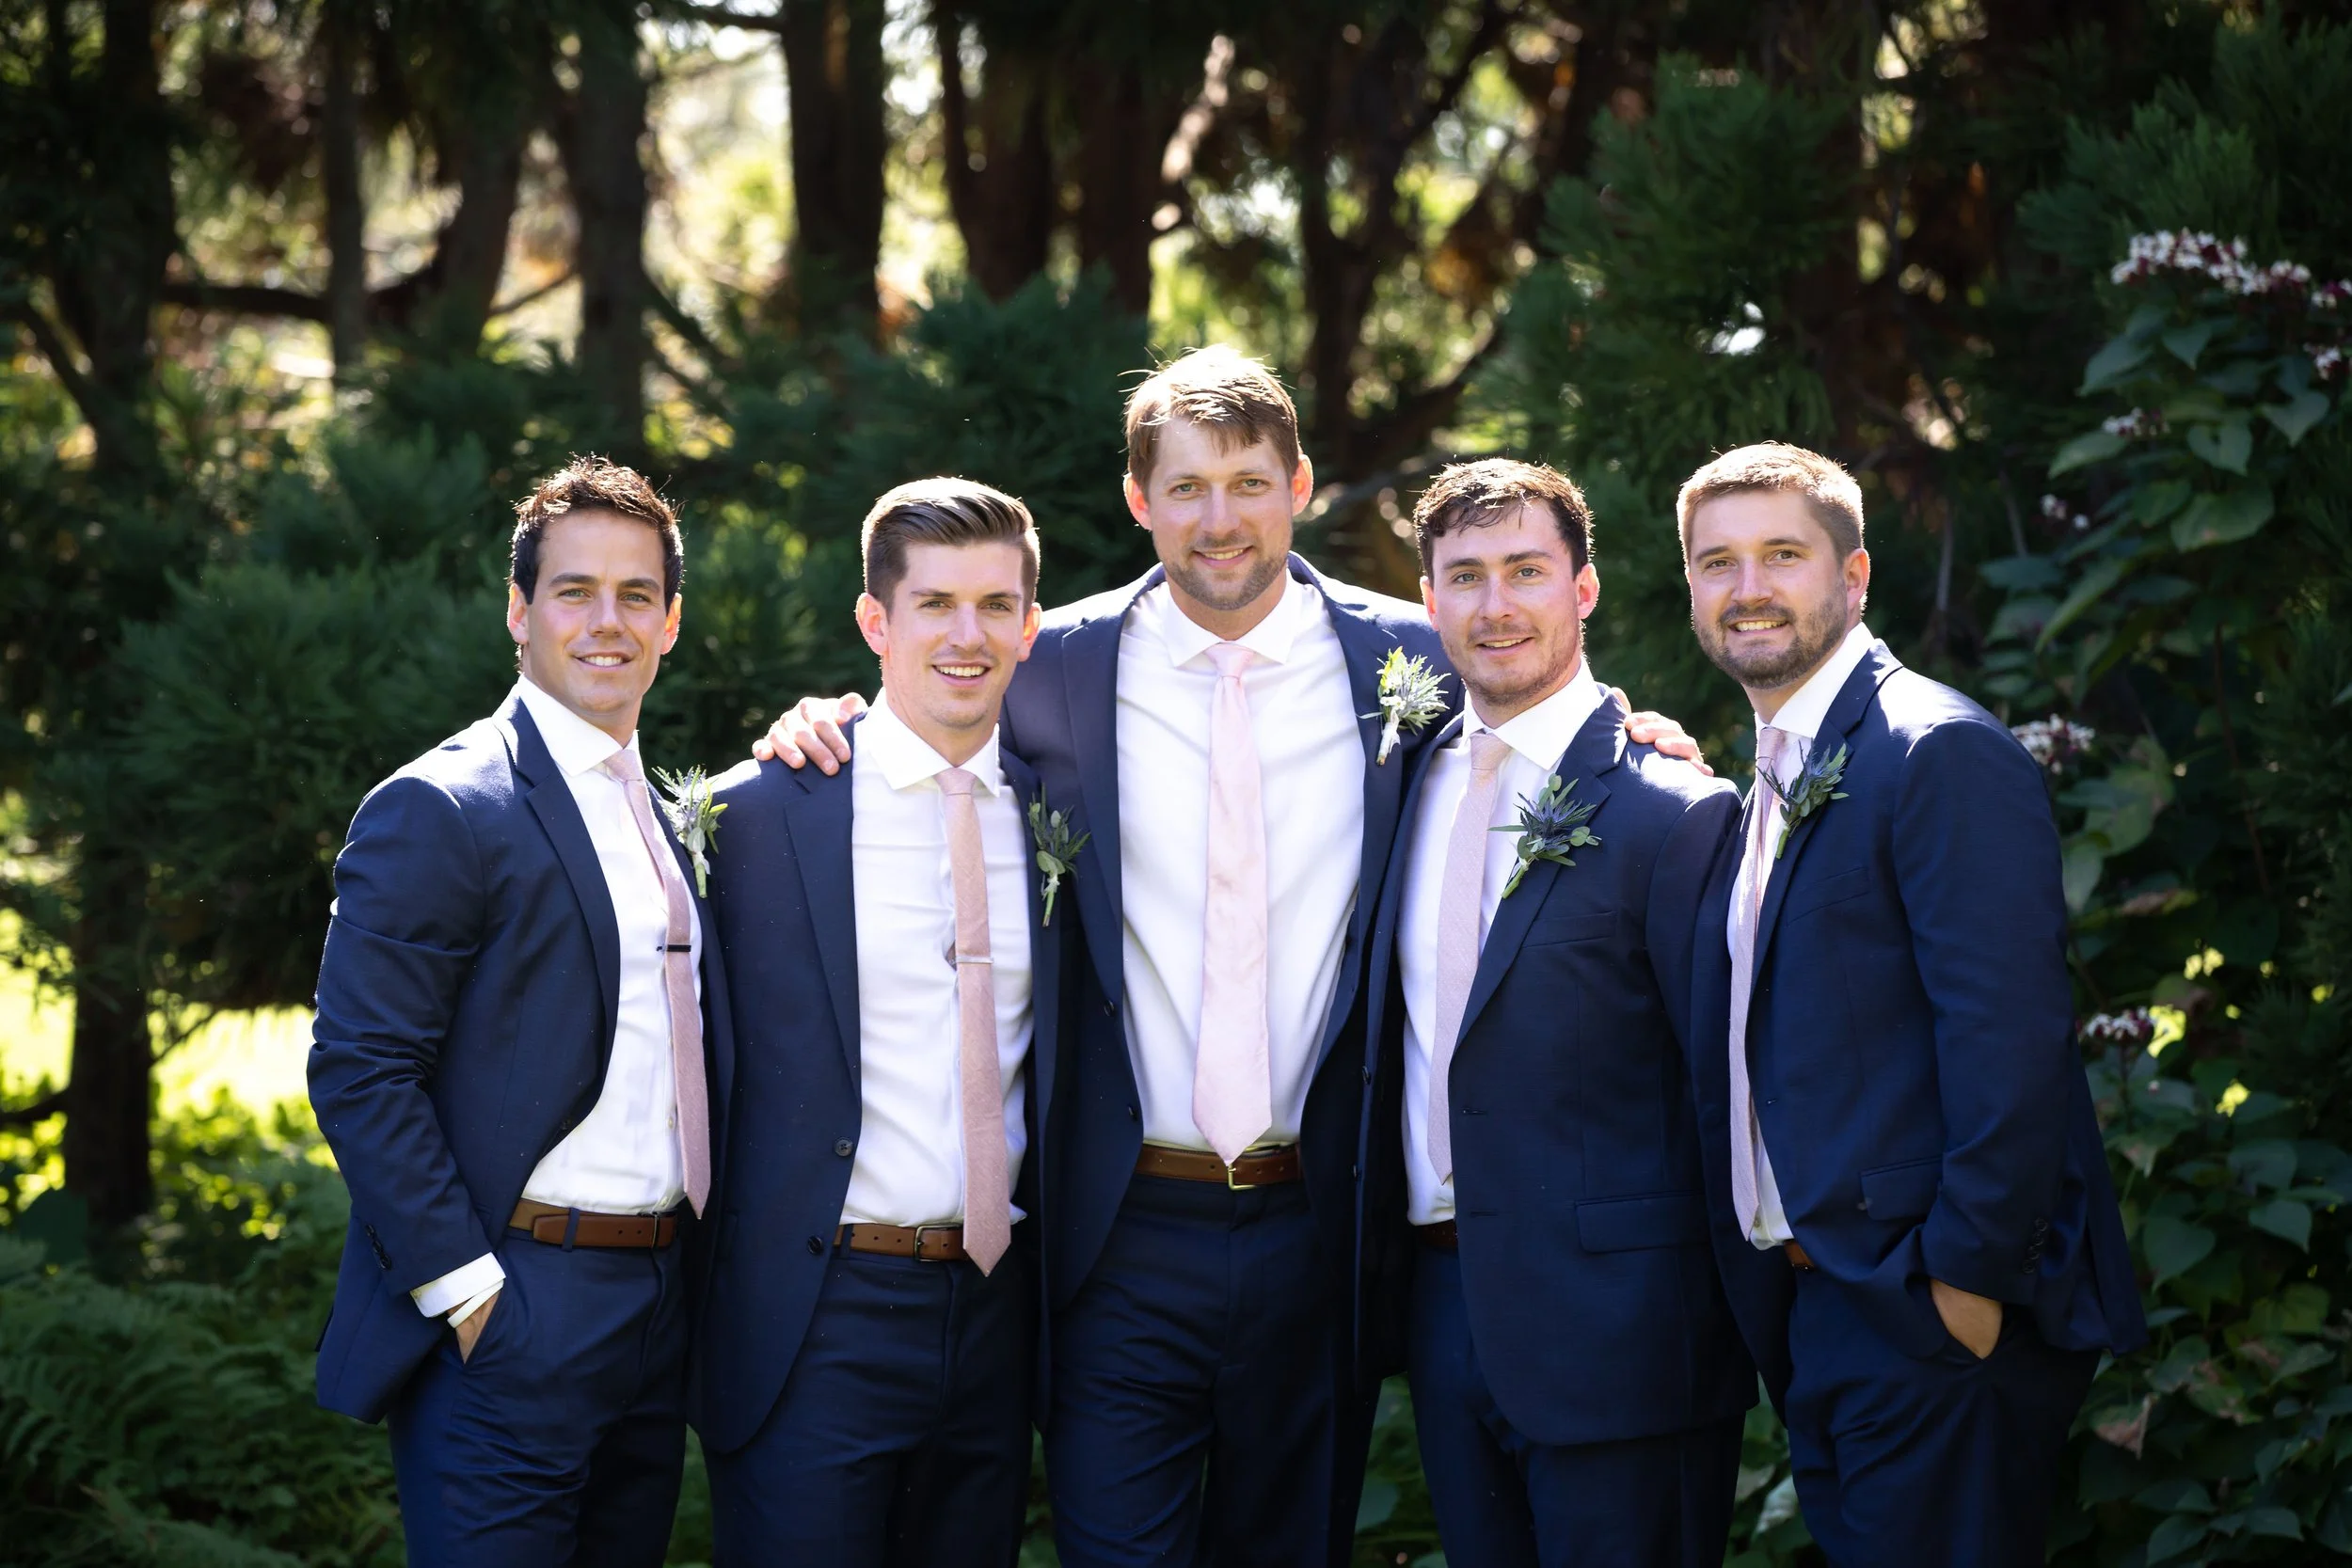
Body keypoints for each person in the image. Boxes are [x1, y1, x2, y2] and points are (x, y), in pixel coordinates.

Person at [759, 348, 1705, 1566]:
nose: (1220, 518)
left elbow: (1533, 700)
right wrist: (821, 716)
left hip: (1318, 1223)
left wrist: (1628, 730)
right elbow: (929, 691)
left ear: (1301, 485)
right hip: (1120, 1224)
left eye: (1249, 481)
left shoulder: (1405, 660)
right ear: (1139, 498)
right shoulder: (1055, 664)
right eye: (1188, 486)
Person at [1676, 442, 2145, 1565]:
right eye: (1717, 562)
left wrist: (1961, 1285)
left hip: (1923, 1311)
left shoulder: (1933, 750)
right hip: (1825, 1307)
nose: (1748, 588)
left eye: (1782, 554)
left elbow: (2010, 1040)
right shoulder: (1772, 777)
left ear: (1855, 575)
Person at [309, 456, 731, 1567]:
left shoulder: (672, 816)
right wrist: (470, 1293)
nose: (608, 620)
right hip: (515, 1301)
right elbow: (360, 1067)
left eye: (637, 594)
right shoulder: (444, 804)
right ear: (519, 610)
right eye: (574, 590)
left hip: (654, 1308)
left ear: (672, 621)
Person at [1356, 459, 1751, 1567]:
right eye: (1464, 577)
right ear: (1426, 602)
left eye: (1526, 570)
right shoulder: (1400, 777)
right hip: (1441, 1308)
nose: (1495, 605)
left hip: (1626, 1329)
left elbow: (1723, 1086)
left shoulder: (1672, 809)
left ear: (1582, 589)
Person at [690, 478, 1062, 1565]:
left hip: (996, 1315)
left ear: (1031, 625)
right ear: (874, 622)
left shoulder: (1066, 813)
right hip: (815, 1313)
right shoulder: (751, 816)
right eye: (934, 603)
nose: (967, 634)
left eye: (996, 605)